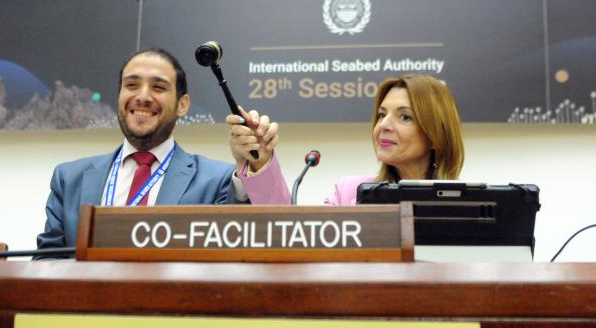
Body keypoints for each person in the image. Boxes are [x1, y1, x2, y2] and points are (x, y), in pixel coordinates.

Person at [36, 47, 287, 255]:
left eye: (158, 87)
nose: (143, 96)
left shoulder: (217, 181)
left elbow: (262, 246)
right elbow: (47, 264)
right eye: (132, 85)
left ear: (183, 105)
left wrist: (257, 165)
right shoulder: (69, 179)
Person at [230, 74, 464, 205]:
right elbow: (291, 240)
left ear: (436, 135)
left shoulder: (469, 204)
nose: (383, 125)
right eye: (382, 115)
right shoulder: (348, 193)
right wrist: (261, 161)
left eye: (404, 117)